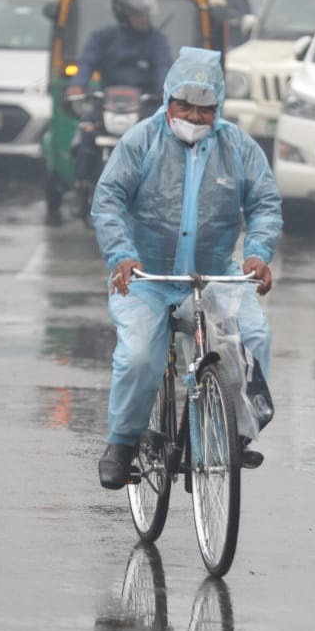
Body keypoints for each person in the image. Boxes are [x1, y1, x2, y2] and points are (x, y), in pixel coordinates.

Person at [91, 47, 283, 490]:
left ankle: (229, 435)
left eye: (205, 108)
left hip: (215, 274)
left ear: (218, 107)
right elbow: (109, 200)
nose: (194, 117)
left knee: (251, 338)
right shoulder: (141, 140)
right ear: (167, 100)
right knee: (140, 356)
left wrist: (258, 252)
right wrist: (122, 254)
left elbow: (265, 202)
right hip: (146, 278)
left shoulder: (237, 146)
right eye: (185, 106)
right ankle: (122, 443)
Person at [66, 0, 173, 214]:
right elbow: (86, 62)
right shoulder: (102, 37)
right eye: (138, 14)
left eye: (146, 14)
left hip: (146, 102)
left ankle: (160, 191)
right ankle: (83, 185)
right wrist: (78, 84)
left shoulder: (157, 40)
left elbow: (164, 66)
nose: (145, 19)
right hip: (107, 102)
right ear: (124, 15)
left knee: (162, 140)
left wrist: (167, 90)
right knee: (86, 131)